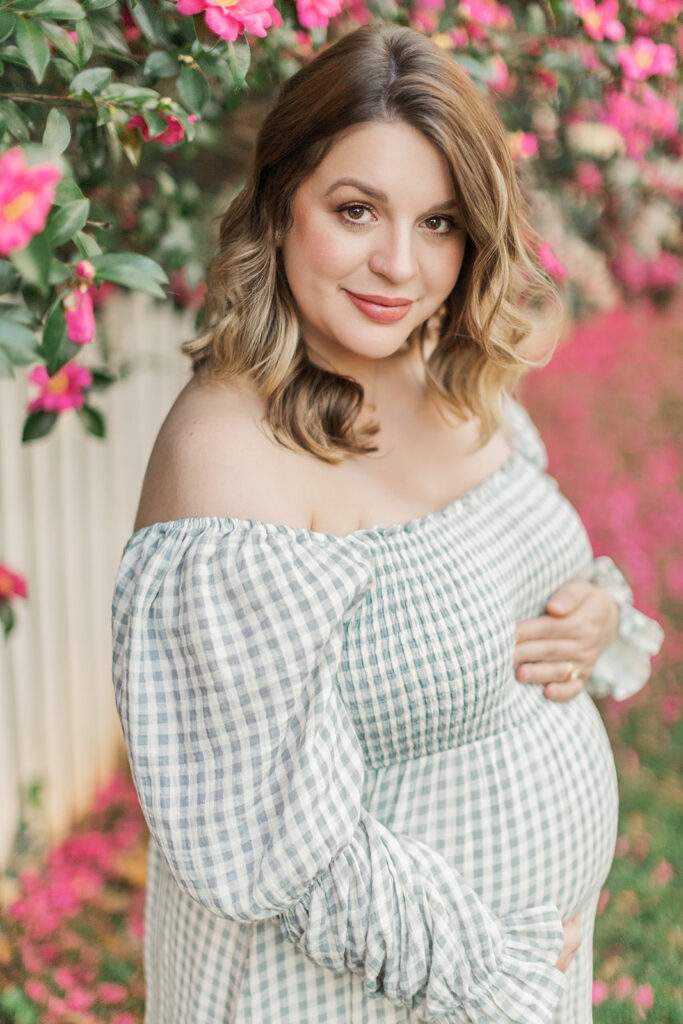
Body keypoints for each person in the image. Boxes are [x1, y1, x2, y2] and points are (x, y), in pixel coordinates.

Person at [111, 22, 664, 1024]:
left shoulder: (442, 372)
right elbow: (283, 845)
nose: (398, 266)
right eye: (356, 210)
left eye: (440, 223)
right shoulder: (231, 460)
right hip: (357, 995)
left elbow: (516, 566)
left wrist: (590, 616)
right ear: (279, 207)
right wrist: (502, 978)